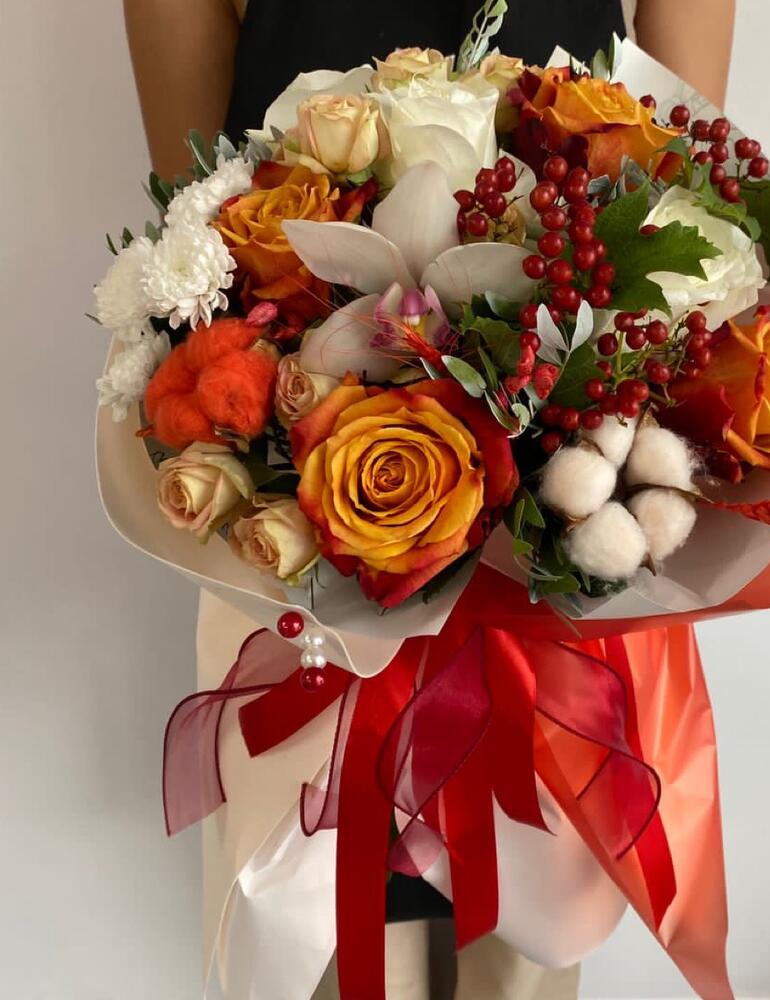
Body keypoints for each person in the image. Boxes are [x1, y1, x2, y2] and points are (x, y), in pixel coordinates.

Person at [123, 2, 735, 997]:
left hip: (564, 358)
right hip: (303, 390)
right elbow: (194, 196)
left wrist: (654, 319)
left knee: (529, 905)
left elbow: (687, 141)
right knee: (335, 897)